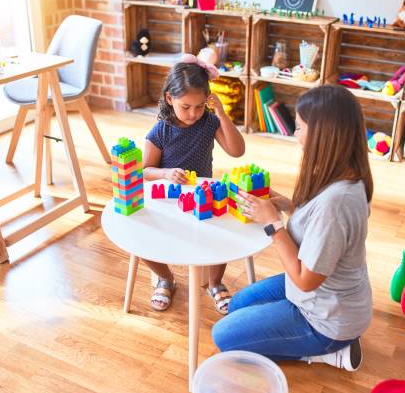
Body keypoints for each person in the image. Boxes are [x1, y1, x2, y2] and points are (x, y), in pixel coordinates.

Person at [211, 85, 373, 371]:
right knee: (236, 306)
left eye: (299, 128)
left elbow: (305, 280)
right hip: (327, 297)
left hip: (325, 318)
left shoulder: (335, 204)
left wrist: (274, 224)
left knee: (224, 337)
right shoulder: (344, 173)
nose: (294, 134)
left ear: (324, 135)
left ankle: (328, 352)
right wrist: (286, 204)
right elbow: (318, 225)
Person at [142, 54, 245, 314]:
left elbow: (237, 151)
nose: (193, 113)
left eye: (199, 106)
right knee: (141, 238)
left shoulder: (209, 122)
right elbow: (145, 171)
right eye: (185, 106)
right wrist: (165, 174)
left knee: (224, 233)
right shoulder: (161, 131)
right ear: (169, 99)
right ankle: (165, 278)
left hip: (203, 197)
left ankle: (214, 283)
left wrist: (220, 112)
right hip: (167, 199)